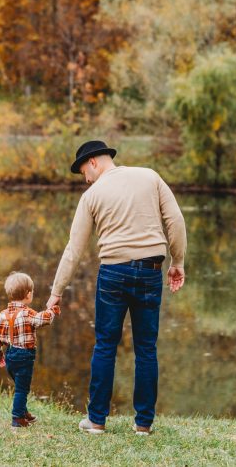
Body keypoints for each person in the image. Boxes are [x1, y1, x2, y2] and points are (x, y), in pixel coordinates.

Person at [47, 140, 187, 436]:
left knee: (105, 346)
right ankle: (143, 424)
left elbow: (74, 249)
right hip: (150, 270)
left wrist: (56, 292)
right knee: (146, 348)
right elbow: (175, 220)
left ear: (94, 162)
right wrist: (178, 261)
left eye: (83, 172)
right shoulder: (150, 176)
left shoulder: (92, 195)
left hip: (113, 273)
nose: (85, 179)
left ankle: (97, 420)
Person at [0, 271, 60, 429]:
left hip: (10, 356)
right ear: (28, 294)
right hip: (24, 357)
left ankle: (23, 411)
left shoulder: (2, 315)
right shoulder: (28, 313)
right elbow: (43, 319)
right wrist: (52, 310)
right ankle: (18, 419)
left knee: (20, 385)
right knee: (22, 389)